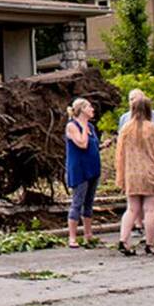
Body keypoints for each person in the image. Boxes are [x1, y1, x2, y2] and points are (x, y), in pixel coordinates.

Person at [116, 95, 154, 255]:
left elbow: (120, 154)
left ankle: (123, 240)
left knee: (131, 209)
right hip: (151, 173)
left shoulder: (125, 129)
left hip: (132, 173)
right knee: (150, 210)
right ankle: (150, 244)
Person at [64, 98, 101, 248]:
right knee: (77, 201)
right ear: (82, 110)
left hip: (93, 167)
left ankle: (88, 234)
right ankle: (72, 236)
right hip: (79, 169)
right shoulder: (72, 126)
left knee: (89, 202)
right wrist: (83, 125)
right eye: (89, 107)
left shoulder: (91, 127)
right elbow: (82, 143)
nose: (92, 109)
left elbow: (93, 145)